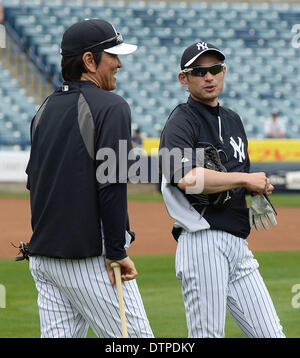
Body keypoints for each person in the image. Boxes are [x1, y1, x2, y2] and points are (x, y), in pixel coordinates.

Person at [25, 19, 153, 338]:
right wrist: (116, 251)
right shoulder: (112, 107)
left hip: (44, 259)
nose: (119, 63)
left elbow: (34, 181)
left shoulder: (44, 109)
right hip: (89, 260)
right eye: (113, 55)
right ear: (89, 60)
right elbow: (111, 183)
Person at [159, 41, 285, 338]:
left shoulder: (233, 120)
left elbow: (240, 173)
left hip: (238, 243)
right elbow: (186, 179)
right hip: (202, 240)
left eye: (215, 69)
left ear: (224, 72)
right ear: (184, 79)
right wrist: (244, 180)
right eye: (199, 71)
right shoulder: (180, 121)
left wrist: (254, 188)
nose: (209, 77)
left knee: (272, 334)